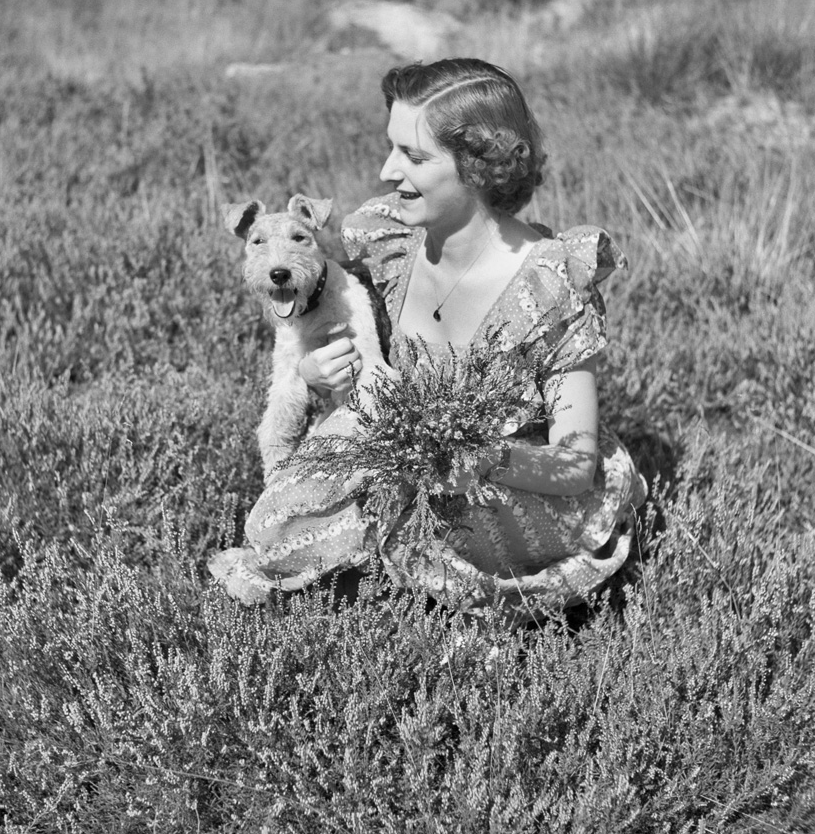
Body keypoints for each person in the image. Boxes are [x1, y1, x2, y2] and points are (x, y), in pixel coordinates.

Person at [208, 58, 646, 621]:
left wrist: (476, 457)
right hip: (404, 448)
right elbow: (325, 317)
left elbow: (574, 466)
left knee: (447, 530)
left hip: (508, 476)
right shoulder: (393, 244)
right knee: (276, 522)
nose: (389, 170)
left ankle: (437, 605)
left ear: (480, 165)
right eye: (392, 147)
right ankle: (390, 585)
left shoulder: (550, 285)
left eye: (413, 156)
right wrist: (314, 377)